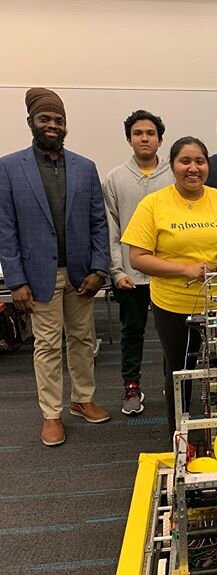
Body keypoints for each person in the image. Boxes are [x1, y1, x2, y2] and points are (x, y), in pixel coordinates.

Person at [0, 87, 111, 446]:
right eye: (44, 119)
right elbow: (6, 228)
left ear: (66, 125)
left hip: (82, 274)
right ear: (31, 122)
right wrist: (16, 280)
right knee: (47, 345)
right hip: (38, 276)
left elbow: (99, 222)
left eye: (58, 120)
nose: (52, 125)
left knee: (82, 339)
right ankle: (51, 414)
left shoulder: (85, 167)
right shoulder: (9, 167)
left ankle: (82, 399)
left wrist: (100, 268)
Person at [121, 136, 217, 438]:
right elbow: (137, 258)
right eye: (184, 161)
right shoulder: (153, 204)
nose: (193, 168)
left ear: (207, 166)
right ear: (172, 165)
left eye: (199, 161)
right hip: (174, 305)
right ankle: (181, 433)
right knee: (180, 370)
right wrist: (185, 269)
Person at [103, 110, 175, 416]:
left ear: (160, 139)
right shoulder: (115, 178)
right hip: (130, 274)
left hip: (166, 273)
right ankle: (131, 385)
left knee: (171, 333)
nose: (144, 138)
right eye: (137, 133)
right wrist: (117, 271)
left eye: (150, 133)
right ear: (129, 139)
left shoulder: (174, 175)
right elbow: (112, 228)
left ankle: (171, 383)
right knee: (132, 332)